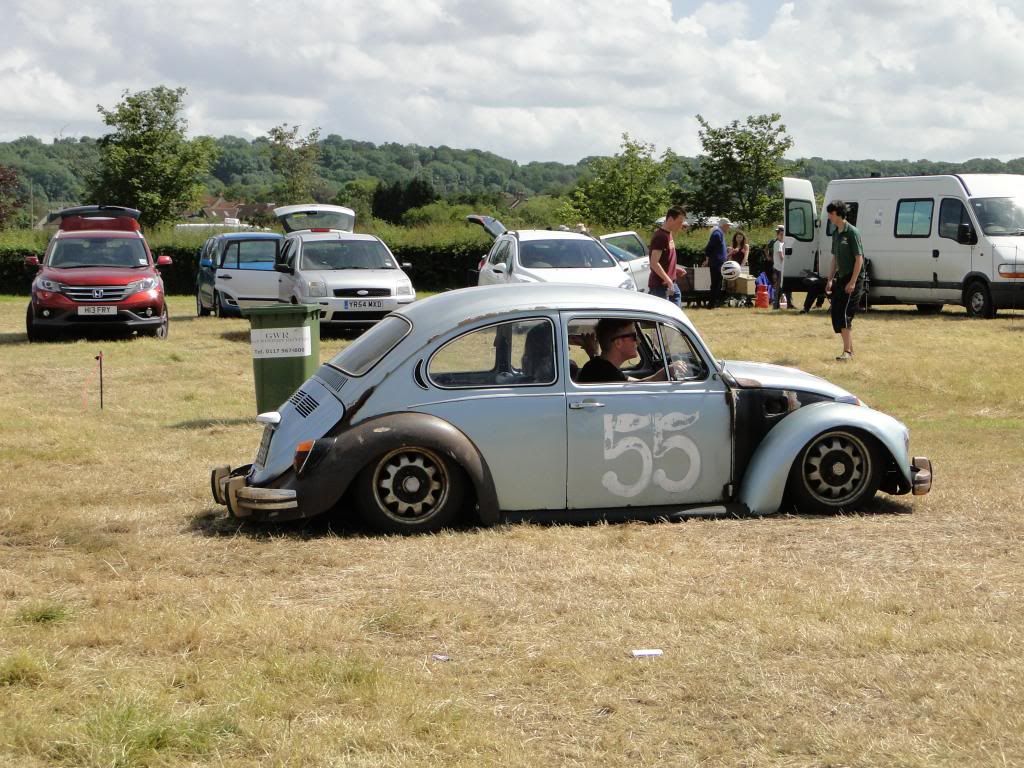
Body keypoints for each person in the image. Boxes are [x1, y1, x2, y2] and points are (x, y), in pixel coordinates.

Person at [577, 319, 684, 383]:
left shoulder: (599, 367)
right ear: (618, 343)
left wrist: (593, 353)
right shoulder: (606, 373)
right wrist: (666, 371)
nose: (638, 341)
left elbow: (635, 383)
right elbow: (639, 386)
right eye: (634, 336)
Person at [825, 201, 865, 360]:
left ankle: (847, 352)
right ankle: (850, 350)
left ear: (838, 214)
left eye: (831, 213)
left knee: (845, 313)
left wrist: (853, 282)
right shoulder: (836, 233)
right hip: (841, 278)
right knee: (836, 312)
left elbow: (859, 259)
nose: (829, 216)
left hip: (854, 277)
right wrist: (829, 279)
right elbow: (834, 258)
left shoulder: (852, 232)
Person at [648, 206, 687, 306]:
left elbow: (665, 259)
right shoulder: (660, 237)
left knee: (674, 316)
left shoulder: (668, 234)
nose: (681, 225)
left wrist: (675, 269)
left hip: (670, 284)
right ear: (670, 219)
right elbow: (654, 263)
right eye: (679, 222)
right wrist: (668, 280)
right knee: (665, 318)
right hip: (660, 287)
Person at [703, 217, 731, 308]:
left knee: (718, 284)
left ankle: (714, 303)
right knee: (716, 284)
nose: (729, 228)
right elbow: (709, 248)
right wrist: (709, 259)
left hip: (718, 263)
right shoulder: (717, 234)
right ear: (724, 225)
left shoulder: (720, 233)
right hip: (716, 263)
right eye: (728, 226)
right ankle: (712, 304)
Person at [771, 225, 793, 309]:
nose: (780, 235)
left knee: (787, 286)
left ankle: (789, 304)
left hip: (782, 269)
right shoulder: (778, 244)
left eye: (782, 234)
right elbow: (782, 257)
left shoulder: (782, 243)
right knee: (778, 288)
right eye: (779, 234)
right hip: (779, 269)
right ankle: (776, 305)